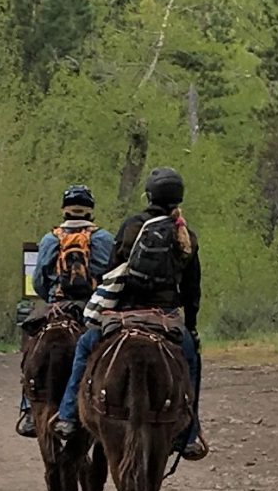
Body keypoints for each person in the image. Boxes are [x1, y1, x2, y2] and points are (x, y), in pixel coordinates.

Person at [52, 167, 207, 461]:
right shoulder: (186, 235)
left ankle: (68, 415)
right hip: (166, 316)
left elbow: (112, 271)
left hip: (125, 314)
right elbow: (191, 289)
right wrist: (192, 327)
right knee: (190, 360)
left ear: (148, 195)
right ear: (178, 198)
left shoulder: (132, 226)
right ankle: (189, 435)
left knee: (85, 346)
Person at [18, 186, 115, 435]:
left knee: (30, 340)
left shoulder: (50, 239)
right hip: (93, 307)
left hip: (57, 305)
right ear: (90, 211)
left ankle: (28, 408)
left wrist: (52, 299)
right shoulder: (104, 238)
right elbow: (110, 274)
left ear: (64, 210)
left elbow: (39, 281)